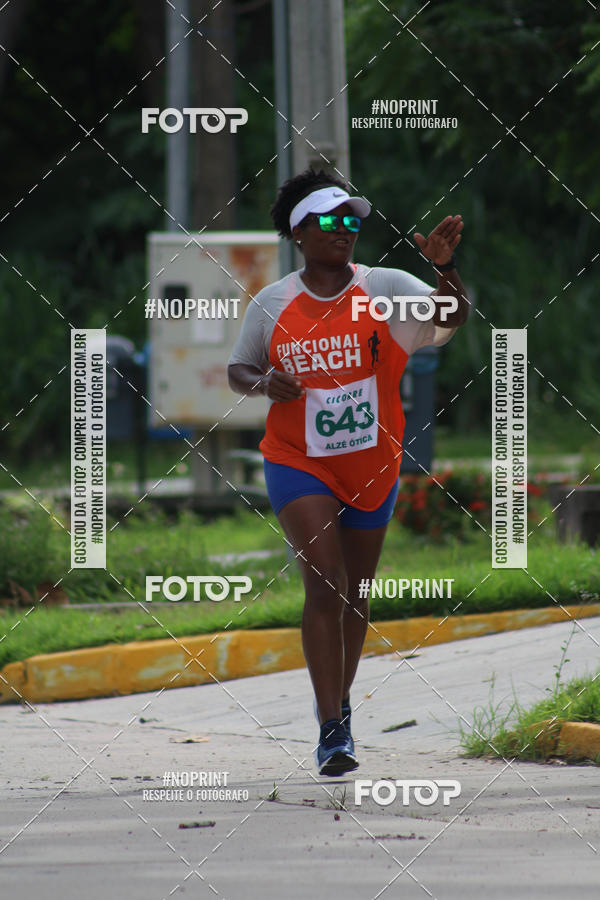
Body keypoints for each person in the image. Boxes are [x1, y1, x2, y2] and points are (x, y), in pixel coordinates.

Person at [227, 168, 469, 776]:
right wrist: (263, 381)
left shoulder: (385, 286)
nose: (344, 229)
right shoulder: (273, 302)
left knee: (357, 593)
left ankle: (338, 707)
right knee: (327, 583)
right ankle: (331, 728)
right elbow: (239, 367)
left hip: (373, 463)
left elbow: (450, 318)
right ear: (299, 232)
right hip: (298, 460)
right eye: (329, 220)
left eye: (351, 220)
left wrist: (444, 270)